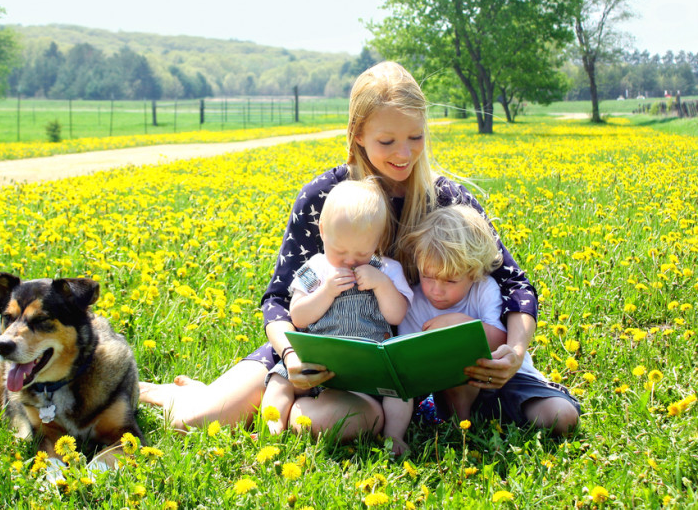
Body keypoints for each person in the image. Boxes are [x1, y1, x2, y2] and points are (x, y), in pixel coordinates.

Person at [140, 61, 548, 443]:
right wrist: (290, 354)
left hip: (397, 364)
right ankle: (173, 394)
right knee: (194, 422)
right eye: (387, 140)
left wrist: (516, 349)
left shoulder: (445, 199)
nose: (404, 154)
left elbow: (513, 282)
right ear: (357, 135)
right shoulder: (323, 197)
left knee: (342, 422)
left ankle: (255, 399)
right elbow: (279, 299)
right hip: (315, 346)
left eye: (416, 137)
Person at [259, 179, 414, 453]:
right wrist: (326, 291)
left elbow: (397, 314)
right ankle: (274, 424)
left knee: (400, 389)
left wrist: (381, 285)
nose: (350, 261)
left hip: (367, 368)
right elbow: (299, 316)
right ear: (322, 232)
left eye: (362, 253)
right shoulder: (314, 268)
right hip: (316, 364)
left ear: (377, 242)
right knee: (280, 380)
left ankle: (394, 435)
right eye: (340, 251)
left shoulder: (387, 270)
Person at [397, 205, 579, 434]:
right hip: (453, 386)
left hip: (508, 378)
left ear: (474, 273)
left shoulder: (484, 289)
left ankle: (490, 414)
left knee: (563, 417)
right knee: (455, 360)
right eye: (428, 276)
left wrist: (461, 325)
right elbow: (405, 358)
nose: (436, 290)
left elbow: (500, 341)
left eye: (450, 281)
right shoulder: (414, 301)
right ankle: (461, 426)